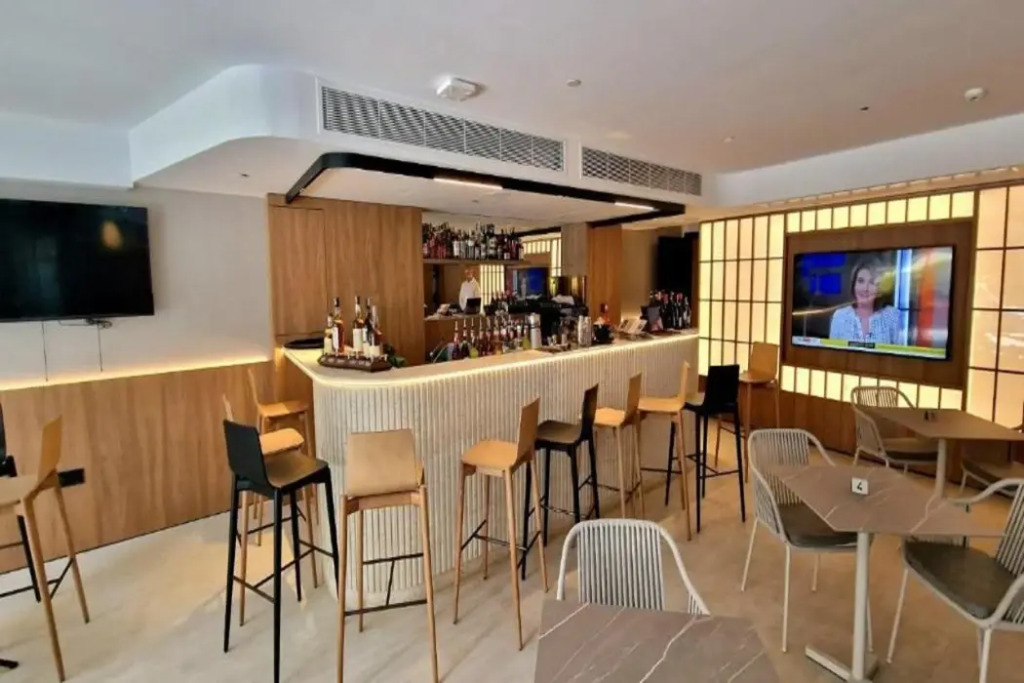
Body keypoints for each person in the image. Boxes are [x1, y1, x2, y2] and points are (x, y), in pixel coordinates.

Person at [828, 259, 902, 344]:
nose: (865, 289)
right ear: (854, 284)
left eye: (872, 282)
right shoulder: (839, 316)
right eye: (860, 281)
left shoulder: (892, 316)